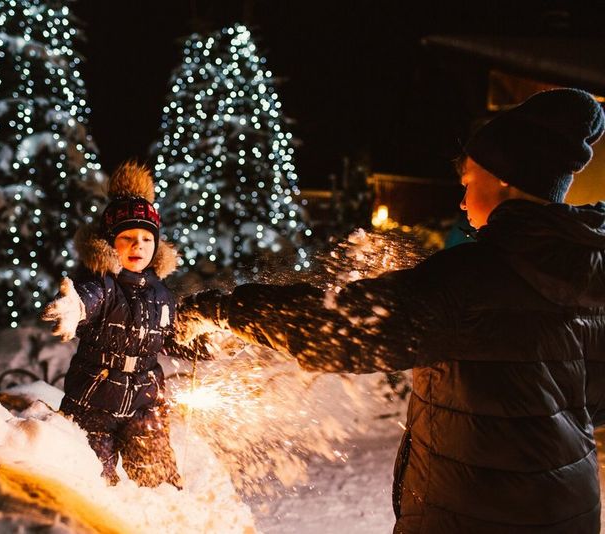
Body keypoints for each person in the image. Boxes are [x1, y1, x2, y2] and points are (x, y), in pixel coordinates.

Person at [176, 88, 605, 533]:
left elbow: (343, 330)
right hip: (569, 508)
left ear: (502, 179)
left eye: (468, 184)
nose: (461, 201)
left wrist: (224, 311)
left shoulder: (470, 278)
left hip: (480, 514)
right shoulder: (588, 269)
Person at [42, 162, 193, 488]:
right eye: (127, 237)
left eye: (146, 238)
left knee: (157, 475)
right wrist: (73, 308)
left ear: (156, 246)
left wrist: (202, 341)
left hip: (145, 401)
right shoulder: (103, 285)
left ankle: (161, 511)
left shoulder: (163, 294)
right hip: (94, 398)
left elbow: (171, 337)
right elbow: (85, 300)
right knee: (91, 477)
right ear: (111, 244)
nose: (138, 245)